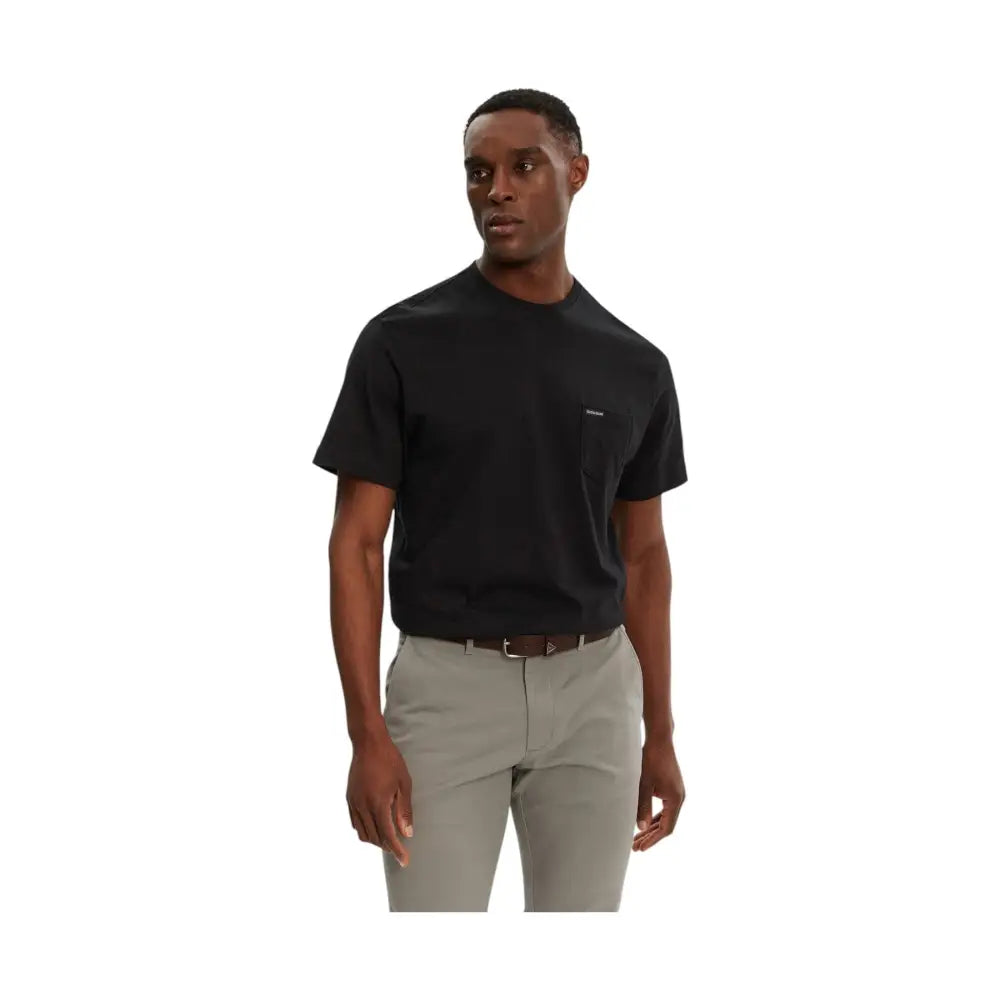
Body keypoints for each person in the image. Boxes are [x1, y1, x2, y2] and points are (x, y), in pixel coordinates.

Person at [312, 88, 688, 911]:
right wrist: (366, 733)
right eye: (479, 172)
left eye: (525, 167)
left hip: (595, 693)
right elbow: (357, 545)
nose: (498, 190)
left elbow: (645, 556)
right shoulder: (401, 343)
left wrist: (658, 731)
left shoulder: (635, 365)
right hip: (448, 691)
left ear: (576, 173)